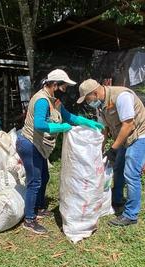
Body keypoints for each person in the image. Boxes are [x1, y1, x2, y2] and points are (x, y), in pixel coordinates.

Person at [16, 70, 104, 234]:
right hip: (28, 144)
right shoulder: (42, 100)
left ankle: (39, 208)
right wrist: (61, 127)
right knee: (34, 181)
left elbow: (69, 117)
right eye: (63, 86)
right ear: (54, 84)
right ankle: (29, 219)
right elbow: (39, 125)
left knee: (45, 176)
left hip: (38, 145)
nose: (64, 90)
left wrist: (89, 123)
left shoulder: (53, 101)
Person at [77, 79, 145, 226]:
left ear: (94, 93)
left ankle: (131, 215)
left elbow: (128, 124)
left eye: (87, 99)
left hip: (142, 135)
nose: (88, 103)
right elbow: (104, 129)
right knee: (118, 167)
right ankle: (117, 200)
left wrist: (114, 148)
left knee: (131, 173)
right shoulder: (101, 104)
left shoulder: (121, 97)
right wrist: (99, 151)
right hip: (126, 137)